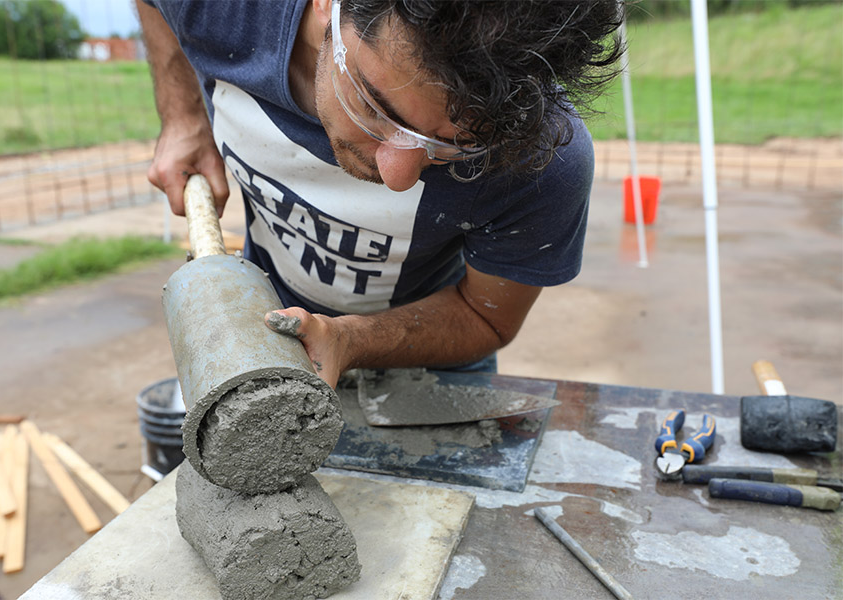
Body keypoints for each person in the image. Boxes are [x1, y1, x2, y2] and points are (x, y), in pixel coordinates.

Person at [136, 0, 623, 388]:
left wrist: (348, 340)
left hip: (430, 368)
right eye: (375, 106)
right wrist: (182, 116)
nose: (397, 177)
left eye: (455, 145)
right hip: (270, 335)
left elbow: (485, 316)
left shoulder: (542, 160)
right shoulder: (228, 9)